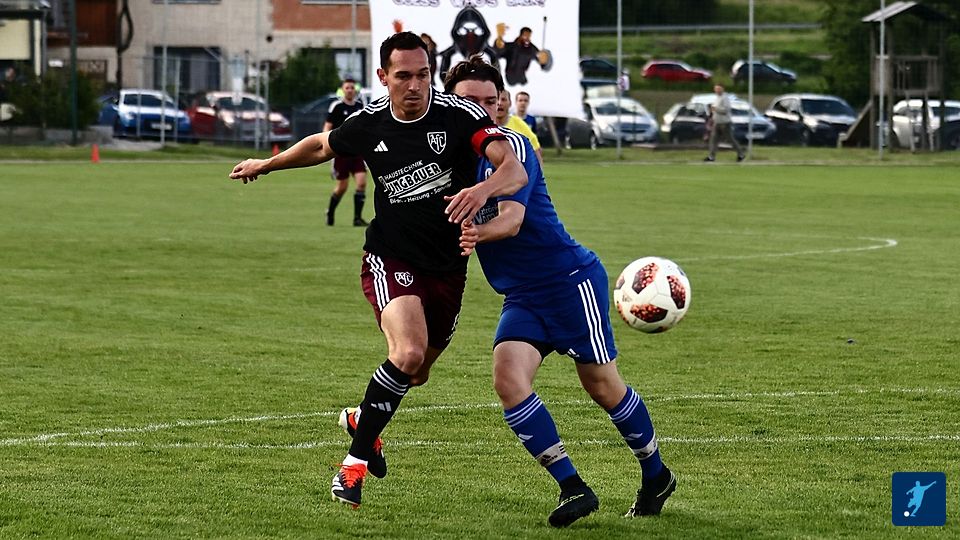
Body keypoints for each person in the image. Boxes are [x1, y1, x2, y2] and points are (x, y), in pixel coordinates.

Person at [229, 32, 527, 510]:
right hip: (391, 257)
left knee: (417, 373)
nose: (416, 85)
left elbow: (513, 169)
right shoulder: (369, 122)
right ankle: (353, 466)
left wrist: (482, 190)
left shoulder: (458, 115)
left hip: (448, 267)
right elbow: (321, 146)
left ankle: (361, 419)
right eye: (404, 76)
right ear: (383, 77)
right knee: (407, 352)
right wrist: (268, 163)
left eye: (423, 74)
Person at [443, 56, 676, 528]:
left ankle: (657, 475)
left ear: (502, 103)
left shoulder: (511, 148)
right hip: (522, 295)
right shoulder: (451, 160)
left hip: (568, 282)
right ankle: (573, 487)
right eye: (469, 101)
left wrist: (473, 233)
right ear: (451, 105)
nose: (483, 109)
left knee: (602, 386)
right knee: (508, 378)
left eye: (491, 100)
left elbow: (512, 220)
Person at [323, 78, 368, 226]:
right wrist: (326, 144)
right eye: (347, 87)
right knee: (342, 187)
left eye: (352, 87)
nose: (350, 90)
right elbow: (327, 126)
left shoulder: (360, 106)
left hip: (357, 151)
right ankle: (330, 212)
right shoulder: (337, 106)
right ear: (343, 90)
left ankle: (357, 218)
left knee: (361, 183)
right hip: (340, 152)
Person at [495, 89, 542, 163]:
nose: (499, 103)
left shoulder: (521, 125)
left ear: (510, 103)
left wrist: (538, 169)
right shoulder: (484, 124)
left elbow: (536, 149)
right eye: (496, 100)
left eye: (503, 100)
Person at [705, 84, 744, 162]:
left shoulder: (725, 98)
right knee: (713, 139)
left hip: (725, 123)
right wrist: (712, 114)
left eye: (719, 89)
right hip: (717, 122)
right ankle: (711, 156)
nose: (717, 90)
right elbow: (714, 109)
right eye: (716, 89)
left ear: (722, 89)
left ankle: (740, 154)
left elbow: (726, 110)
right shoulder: (717, 98)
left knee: (730, 139)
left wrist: (716, 109)